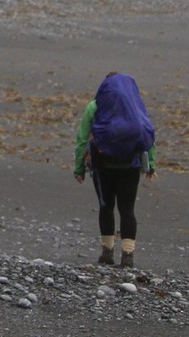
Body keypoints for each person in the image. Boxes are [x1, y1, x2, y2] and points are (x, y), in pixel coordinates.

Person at [74, 71, 157, 267]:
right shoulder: (135, 106)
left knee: (106, 206)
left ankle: (107, 252)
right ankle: (128, 255)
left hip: (102, 166)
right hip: (130, 165)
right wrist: (151, 165)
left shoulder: (95, 106)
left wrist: (79, 168)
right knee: (127, 209)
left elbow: (82, 139)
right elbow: (148, 137)